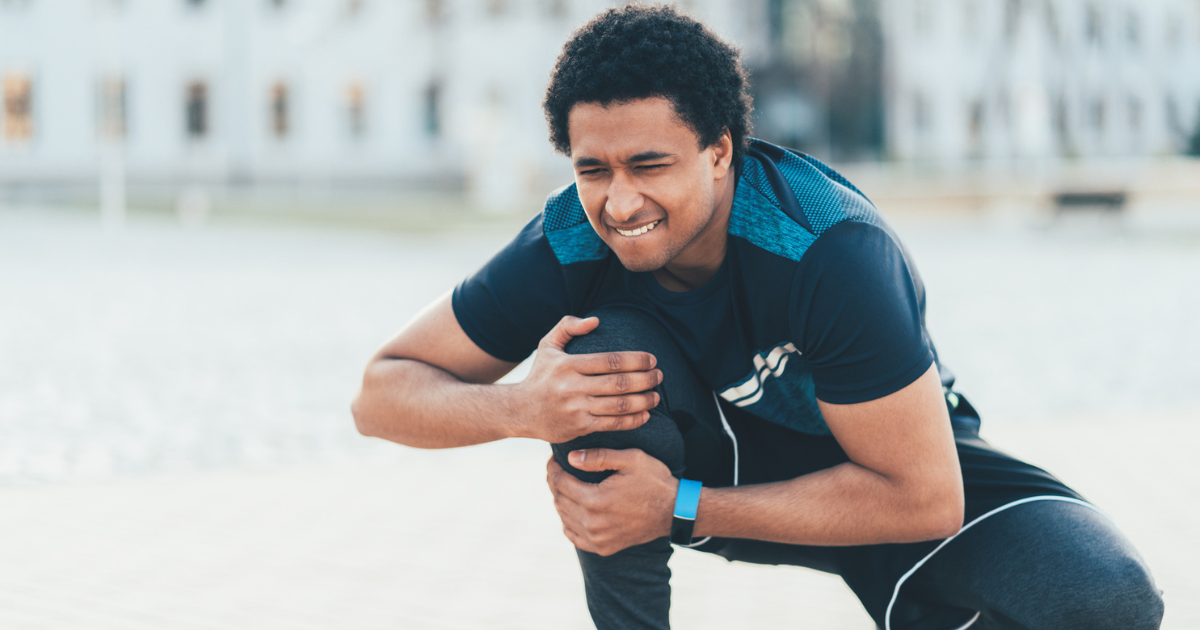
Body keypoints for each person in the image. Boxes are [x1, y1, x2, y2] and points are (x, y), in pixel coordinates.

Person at [351, 5, 1164, 629]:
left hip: (885, 471)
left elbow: (923, 499)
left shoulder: (829, 246)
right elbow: (380, 393)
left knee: (1110, 597)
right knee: (606, 360)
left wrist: (680, 506)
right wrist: (520, 407)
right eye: (592, 167)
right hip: (703, 463)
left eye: (649, 164)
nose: (618, 200)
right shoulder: (570, 235)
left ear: (721, 151)